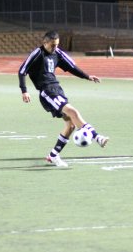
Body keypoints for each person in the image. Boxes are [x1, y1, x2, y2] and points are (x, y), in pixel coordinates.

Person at [18, 30, 109, 168]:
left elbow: (71, 67)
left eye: (57, 45)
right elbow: (22, 70)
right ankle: (97, 137)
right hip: (47, 92)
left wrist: (87, 76)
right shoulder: (38, 53)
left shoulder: (58, 53)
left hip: (57, 89)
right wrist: (24, 91)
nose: (55, 48)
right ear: (45, 42)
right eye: (52, 45)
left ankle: (53, 155)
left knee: (71, 125)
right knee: (73, 112)